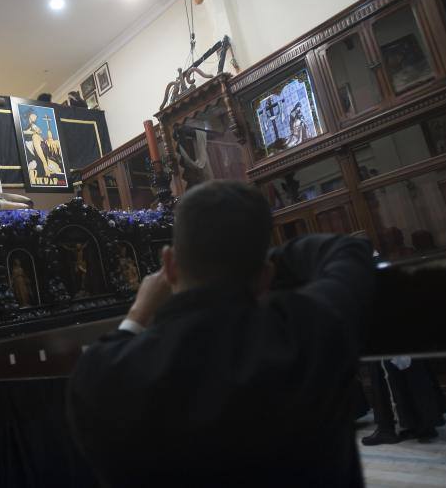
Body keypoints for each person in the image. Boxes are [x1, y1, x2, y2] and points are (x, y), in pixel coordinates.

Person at [67, 180, 375, 487]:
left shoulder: (103, 373)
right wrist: (258, 259)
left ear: (169, 265)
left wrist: (137, 314)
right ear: (265, 275)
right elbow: (347, 250)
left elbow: (112, 348)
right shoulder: (306, 329)